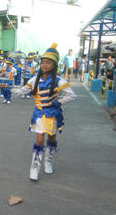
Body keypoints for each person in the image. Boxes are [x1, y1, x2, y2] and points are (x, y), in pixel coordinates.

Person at [10, 43, 76, 181]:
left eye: (48, 63)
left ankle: (49, 161)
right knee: (40, 139)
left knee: (52, 138)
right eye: (43, 62)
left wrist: (58, 102)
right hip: (39, 113)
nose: (44, 65)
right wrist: (10, 88)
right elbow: (23, 90)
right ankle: (34, 168)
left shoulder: (59, 81)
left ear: (54, 65)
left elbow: (71, 95)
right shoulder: (35, 79)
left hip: (53, 114)